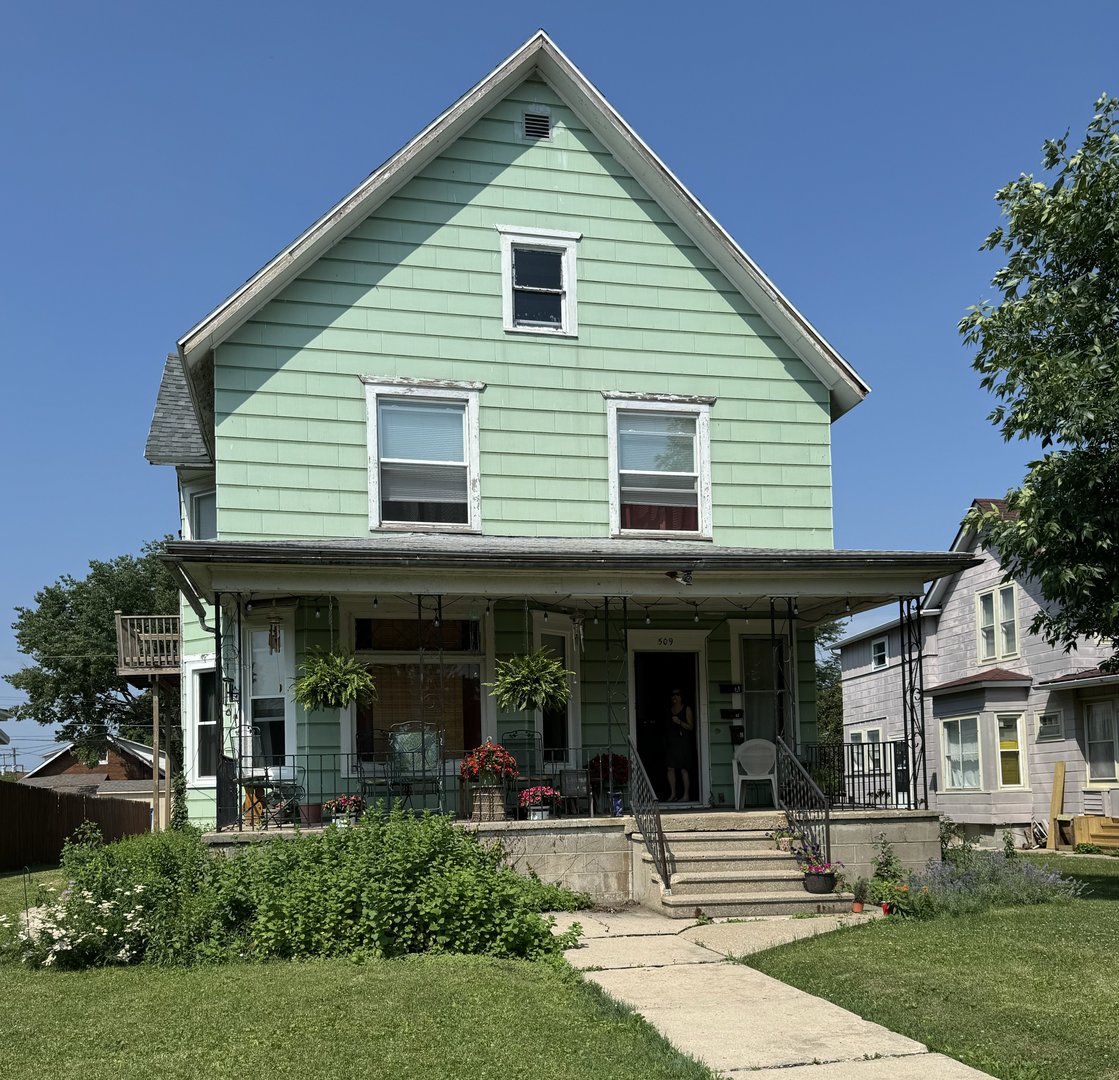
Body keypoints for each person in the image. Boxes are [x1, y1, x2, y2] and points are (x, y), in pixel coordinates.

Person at [664, 688, 695, 802]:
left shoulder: (686, 709)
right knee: (670, 768)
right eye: (672, 695)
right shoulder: (669, 710)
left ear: (681, 697)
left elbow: (691, 727)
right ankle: (673, 794)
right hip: (671, 742)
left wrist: (679, 722)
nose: (674, 697)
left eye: (677, 694)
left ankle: (686, 795)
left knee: (683, 769)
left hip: (683, 742)